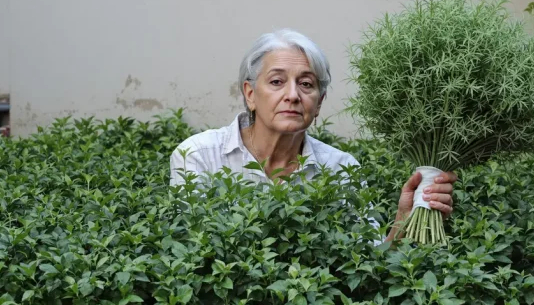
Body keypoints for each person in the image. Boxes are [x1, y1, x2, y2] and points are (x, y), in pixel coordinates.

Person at [170, 28, 457, 244]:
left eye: (306, 84)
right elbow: (190, 253)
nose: (292, 95)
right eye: (277, 81)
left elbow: (371, 267)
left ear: (319, 102)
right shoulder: (198, 155)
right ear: (250, 94)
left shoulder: (341, 168)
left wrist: (404, 218)